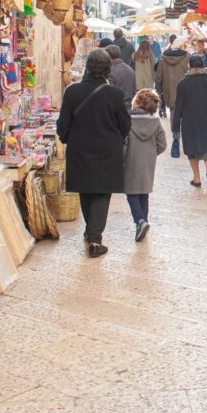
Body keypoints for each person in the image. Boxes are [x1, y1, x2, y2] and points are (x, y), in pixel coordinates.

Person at [56, 49, 130, 257]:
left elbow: (63, 126)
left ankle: (92, 233)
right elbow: (125, 124)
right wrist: (116, 138)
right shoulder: (115, 94)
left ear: (88, 67)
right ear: (108, 69)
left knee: (85, 190)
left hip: (80, 149)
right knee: (101, 192)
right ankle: (94, 239)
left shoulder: (72, 92)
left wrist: (66, 139)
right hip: (107, 150)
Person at [172, 54, 207, 187]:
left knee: (193, 149)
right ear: (202, 64)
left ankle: (197, 178)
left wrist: (175, 126)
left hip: (191, 121)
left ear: (189, 65)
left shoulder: (183, 83)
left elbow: (178, 106)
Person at [123, 89, 167, 242]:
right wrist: (151, 154)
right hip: (148, 162)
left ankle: (140, 221)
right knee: (144, 193)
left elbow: (124, 143)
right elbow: (162, 144)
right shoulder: (155, 122)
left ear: (138, 103)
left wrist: (122, 159)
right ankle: (143, 223)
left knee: (130, 192)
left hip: (131, 160)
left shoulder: (128, 120)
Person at [155, 38, 189, 118]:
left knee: (173, 112)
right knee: (185, 114)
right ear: (181, 46)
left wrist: (159, 90)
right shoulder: (187, 58)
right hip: (185, 91)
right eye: (184, 45)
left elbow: (158, 77)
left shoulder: (163, 59)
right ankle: (182, 130)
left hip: (169, 90)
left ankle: (175, 130)